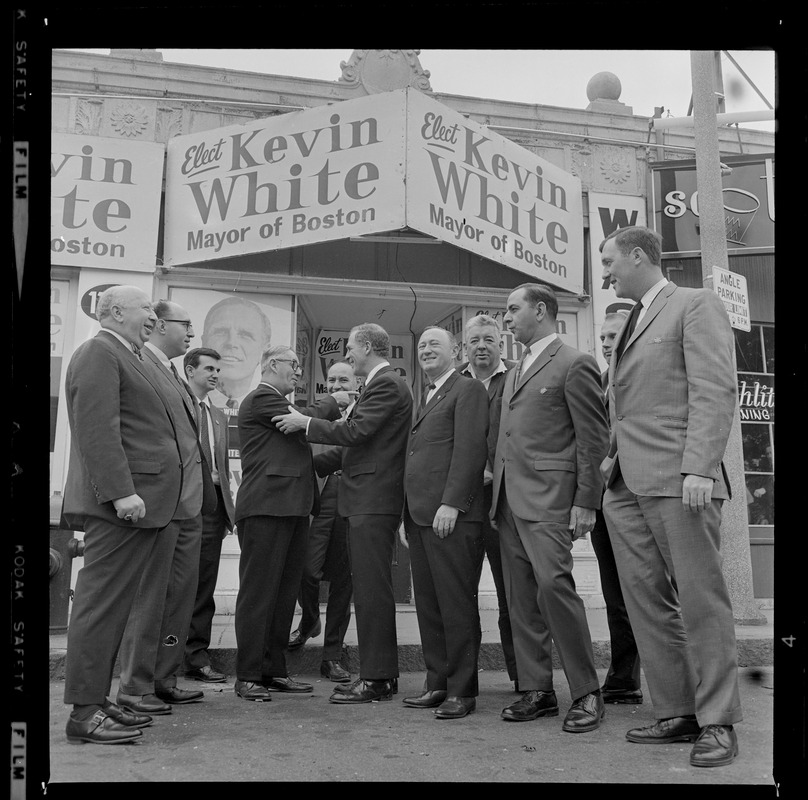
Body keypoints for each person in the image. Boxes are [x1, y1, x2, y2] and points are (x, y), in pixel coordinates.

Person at [599, 225, 741, 768]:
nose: (606, 271)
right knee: (646, 606)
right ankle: (678, 710)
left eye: (610, 260)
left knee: (702, 602)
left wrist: (701, 468)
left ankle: (719, 722)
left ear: (638, 256)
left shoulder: (694, 304)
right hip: (625, 486)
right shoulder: (629, 318)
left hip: (683, 483)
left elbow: (714, 386)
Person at [60, 285, 180, 744]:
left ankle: (97, 699)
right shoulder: (98, 351)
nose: (153, 315)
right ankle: (84, 713)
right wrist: (120, 493)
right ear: (114, 312)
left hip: (140, 506)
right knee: (100, 607)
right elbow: (97, 430)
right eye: (145, 308)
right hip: (120, 507)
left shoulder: (130, 354)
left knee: (114, 610)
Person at [273, 323, 413, 704]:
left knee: (371, 592)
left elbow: (356, 431)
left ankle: (376, 679)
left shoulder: (386, 384)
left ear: (367, 347)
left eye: (352, 348)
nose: (348, 355)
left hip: (372, 501)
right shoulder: (381, 384)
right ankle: (381, 674)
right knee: (369, 591)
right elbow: (357, 446)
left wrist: (307, 424)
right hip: (367, 500)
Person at [492, 283, 609, 733]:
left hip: (549, 499)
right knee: (521, 598)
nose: (506, 318)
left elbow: (593, 438)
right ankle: (538, 690)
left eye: (512, 308)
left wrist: (586, 501)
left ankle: (586, 692)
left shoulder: (575, 362)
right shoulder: (518, 366)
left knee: (555, 589)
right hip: (509, 499)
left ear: (540, 311)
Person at [232, 345, 349, 701]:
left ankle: (274, 670)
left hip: (296, 510)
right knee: (258, 595)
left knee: (284, 597)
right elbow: (302, 418)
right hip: (266, 509)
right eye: (293, 365)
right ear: (271, 365)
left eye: (299, 366)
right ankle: (248, 675)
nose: (298, 372)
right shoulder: (261, 399)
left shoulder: (275, 402)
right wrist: (334, 400)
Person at [116, 300, 214, 715]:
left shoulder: (172, 372)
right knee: (150, 598)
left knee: (178, 597)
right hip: (159, 503)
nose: (191, 332)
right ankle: (135, 688)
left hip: (187, 505)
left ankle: (163, 678)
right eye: (185, 324)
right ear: (157, 324)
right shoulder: (141, 364)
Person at [399, 327, 488, 720]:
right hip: (420, 518)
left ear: (457, 350)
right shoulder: (429, 394)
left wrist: (452, 503)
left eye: (435, 343)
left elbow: (470, 451)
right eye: (421, 346)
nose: (425, 350)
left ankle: (462, 691)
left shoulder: (467, 390)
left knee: (455, 604)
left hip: (450, 517)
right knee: (430, 606)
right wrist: (407, 515)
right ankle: (437, 682)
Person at [458, 314, 519, 690]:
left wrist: (499, 471)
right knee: (461, 595)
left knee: (511, 595)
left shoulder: (516, 377)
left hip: (504, 504)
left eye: (489, 340)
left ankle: (523, 679)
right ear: (464, 347)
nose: (482, 346)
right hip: (461, 504)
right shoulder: (452, 384)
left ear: (501, 344)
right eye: (474, 340)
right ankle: (464, 682)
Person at [288, 360, 356, 685]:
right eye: (331, 380)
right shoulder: (311, 418)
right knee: (307, 570)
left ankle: (332, 656)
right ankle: (310, 621)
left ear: (356, 382)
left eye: (343, 379)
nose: (336, 385)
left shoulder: (365, 414)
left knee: (344, 581)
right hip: (317, 502)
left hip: (350, 502)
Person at [590, 311, 643, 704]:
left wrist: (614, 456)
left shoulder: (637, 374)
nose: (607, 342)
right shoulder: (601, 380)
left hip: (635, 496)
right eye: (603, 336)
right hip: (603, 499)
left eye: (614, 335)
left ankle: (637, 677)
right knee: (614, 592)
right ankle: (623, 679)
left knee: (643, 591)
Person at [182, 347, 236, 683]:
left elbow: (222, 466)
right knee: (179, 586)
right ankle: (168, 657)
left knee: (204, 585)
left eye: (219, 370)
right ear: (190, 370)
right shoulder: (178, 405)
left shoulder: (217, 414)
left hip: (214, 508)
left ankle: (196, 656)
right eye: (209, 369)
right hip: (184, 506)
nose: (216, 375)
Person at [201, 296, 272, 411]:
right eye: (220, 332)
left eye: (245, 335)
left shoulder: (270, 407)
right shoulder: (185, 399)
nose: (231, 343)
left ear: (264, 351)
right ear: (203, 342)